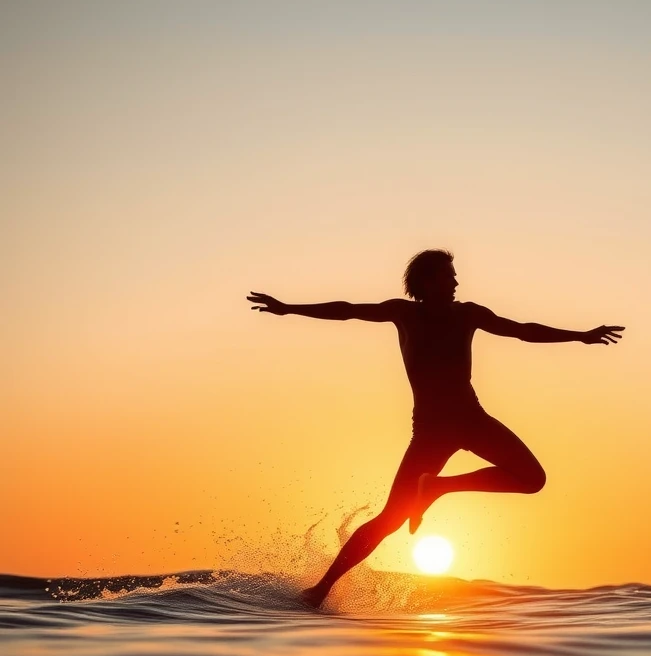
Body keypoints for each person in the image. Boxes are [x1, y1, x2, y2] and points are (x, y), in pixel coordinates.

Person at [247, 249, 624, 607]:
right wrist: (289, 308)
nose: (457, 282)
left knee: (531, 478)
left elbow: (522, 330)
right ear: (427, 282)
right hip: (435, 431)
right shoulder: (404, 313)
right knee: (391, 518)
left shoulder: (468, 314)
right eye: (449, 276)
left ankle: (439, 487)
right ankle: (321, 589)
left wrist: (579, 335)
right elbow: (347, 310)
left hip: (469, 420)